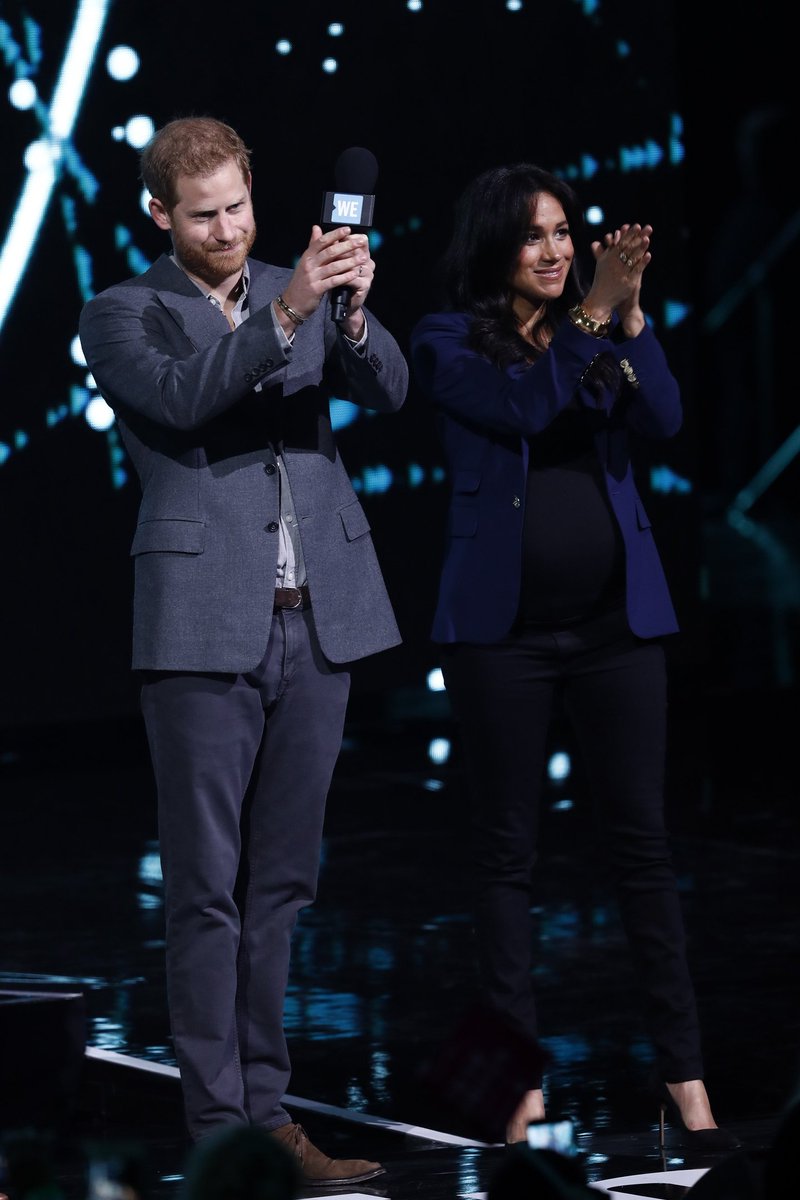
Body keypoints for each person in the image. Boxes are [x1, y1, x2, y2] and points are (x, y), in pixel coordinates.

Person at [78, 116, 408, 1185]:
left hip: (319, 615)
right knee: (205, 891)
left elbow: (391, 389)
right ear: (158, 213)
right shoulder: (121, 312)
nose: (228, 231)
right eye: (204, 216)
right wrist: (292, 309)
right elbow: (182, 399)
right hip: (201, 625)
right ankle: (220, 1132)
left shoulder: (295, 284)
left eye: (239, 208)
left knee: (284, 887)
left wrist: (348, 314)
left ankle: (271, 1119)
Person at [410, 163, 739, 1150]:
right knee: (504, 856)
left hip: (614, 630)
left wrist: (629, 319)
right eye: (533, 235)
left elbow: (665, 419)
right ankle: (514, 1088)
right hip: (500, 638)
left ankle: (684, 1080)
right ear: (492, 248)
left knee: (643, 850)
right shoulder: (446, 341)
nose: (555, 251)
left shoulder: (595, 336)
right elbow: (522, 409)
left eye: (563, 233)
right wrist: (593, 319)